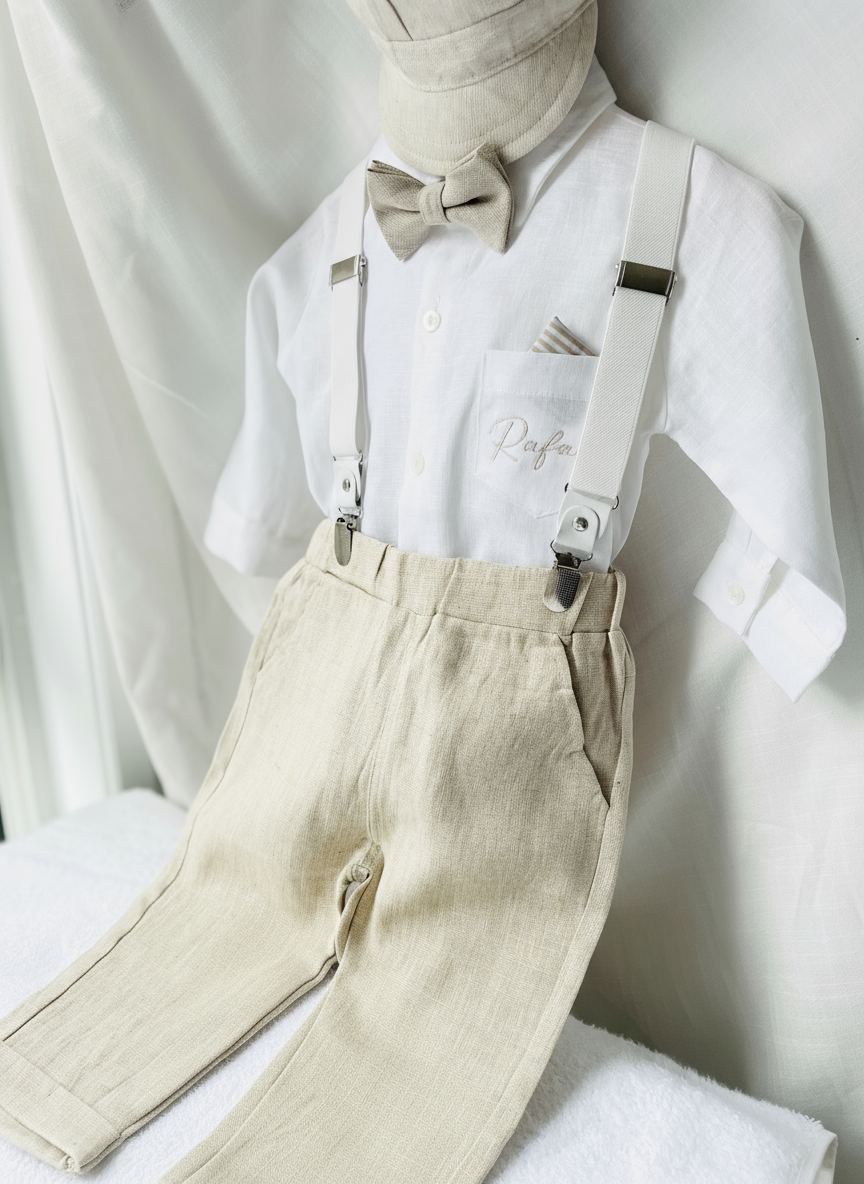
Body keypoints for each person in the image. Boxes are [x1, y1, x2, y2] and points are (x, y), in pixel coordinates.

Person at [0, 2, 845, 1181]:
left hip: (525, 697)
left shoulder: (685, 211)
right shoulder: (339, 231)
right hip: (333, 630)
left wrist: (778, 600)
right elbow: (263, 468)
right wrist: (263, 522)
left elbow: (785, 481)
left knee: (436, 1018)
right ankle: (32, 1099)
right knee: (226, 901)